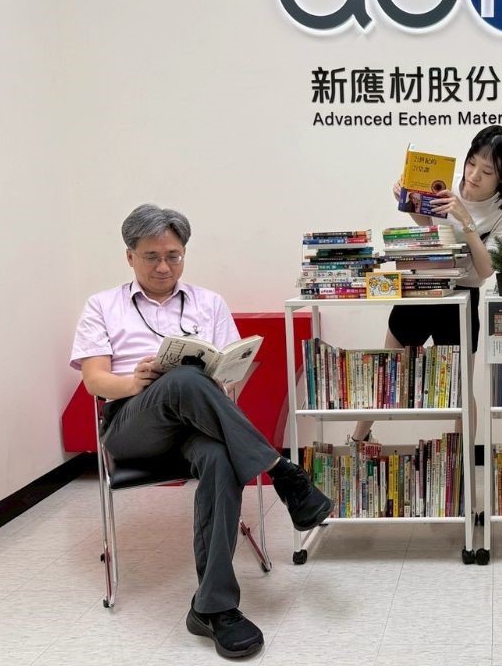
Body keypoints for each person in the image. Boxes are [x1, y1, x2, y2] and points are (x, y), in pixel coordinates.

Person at [71, 205, 335, 659]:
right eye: (151, 256)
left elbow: (234, 374)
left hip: (197, 425)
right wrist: (135, 382)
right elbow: (95, 381)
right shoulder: (102, 305)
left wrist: (222, 377)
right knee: (182, 379)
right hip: (133, 424)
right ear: (129, 256)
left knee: (217, 456)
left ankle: (214, 609)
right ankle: (283, 472)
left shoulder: (208, 302)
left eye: (173, 255)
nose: (163, 266)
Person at [353, 125, 502, 442]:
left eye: (486, 171)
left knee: (461, 390)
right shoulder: (446, 183)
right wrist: (408, 202)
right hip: (422, 287)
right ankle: (357, 441)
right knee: (386, 373)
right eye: (471, 163)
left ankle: (462, 462)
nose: (473, 175)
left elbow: (486, 269)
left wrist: (466, 221)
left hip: (462, 298)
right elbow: (429, 228)